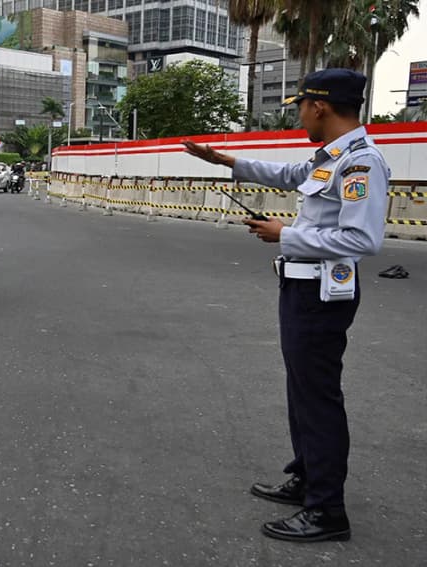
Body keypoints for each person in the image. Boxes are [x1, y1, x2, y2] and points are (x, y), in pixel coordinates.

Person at [183, 68, 389, 543]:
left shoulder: (361, 163)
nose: (298, 114)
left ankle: (327, 511)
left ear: (320, 106)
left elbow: (362, 238)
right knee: (302, 392)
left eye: (300, 106)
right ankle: (306, 477)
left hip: (322, 294)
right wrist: (221, 159)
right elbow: (286, 174)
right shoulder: (330, 158)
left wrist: (285, 234)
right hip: (300, 288)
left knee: (317, 398)